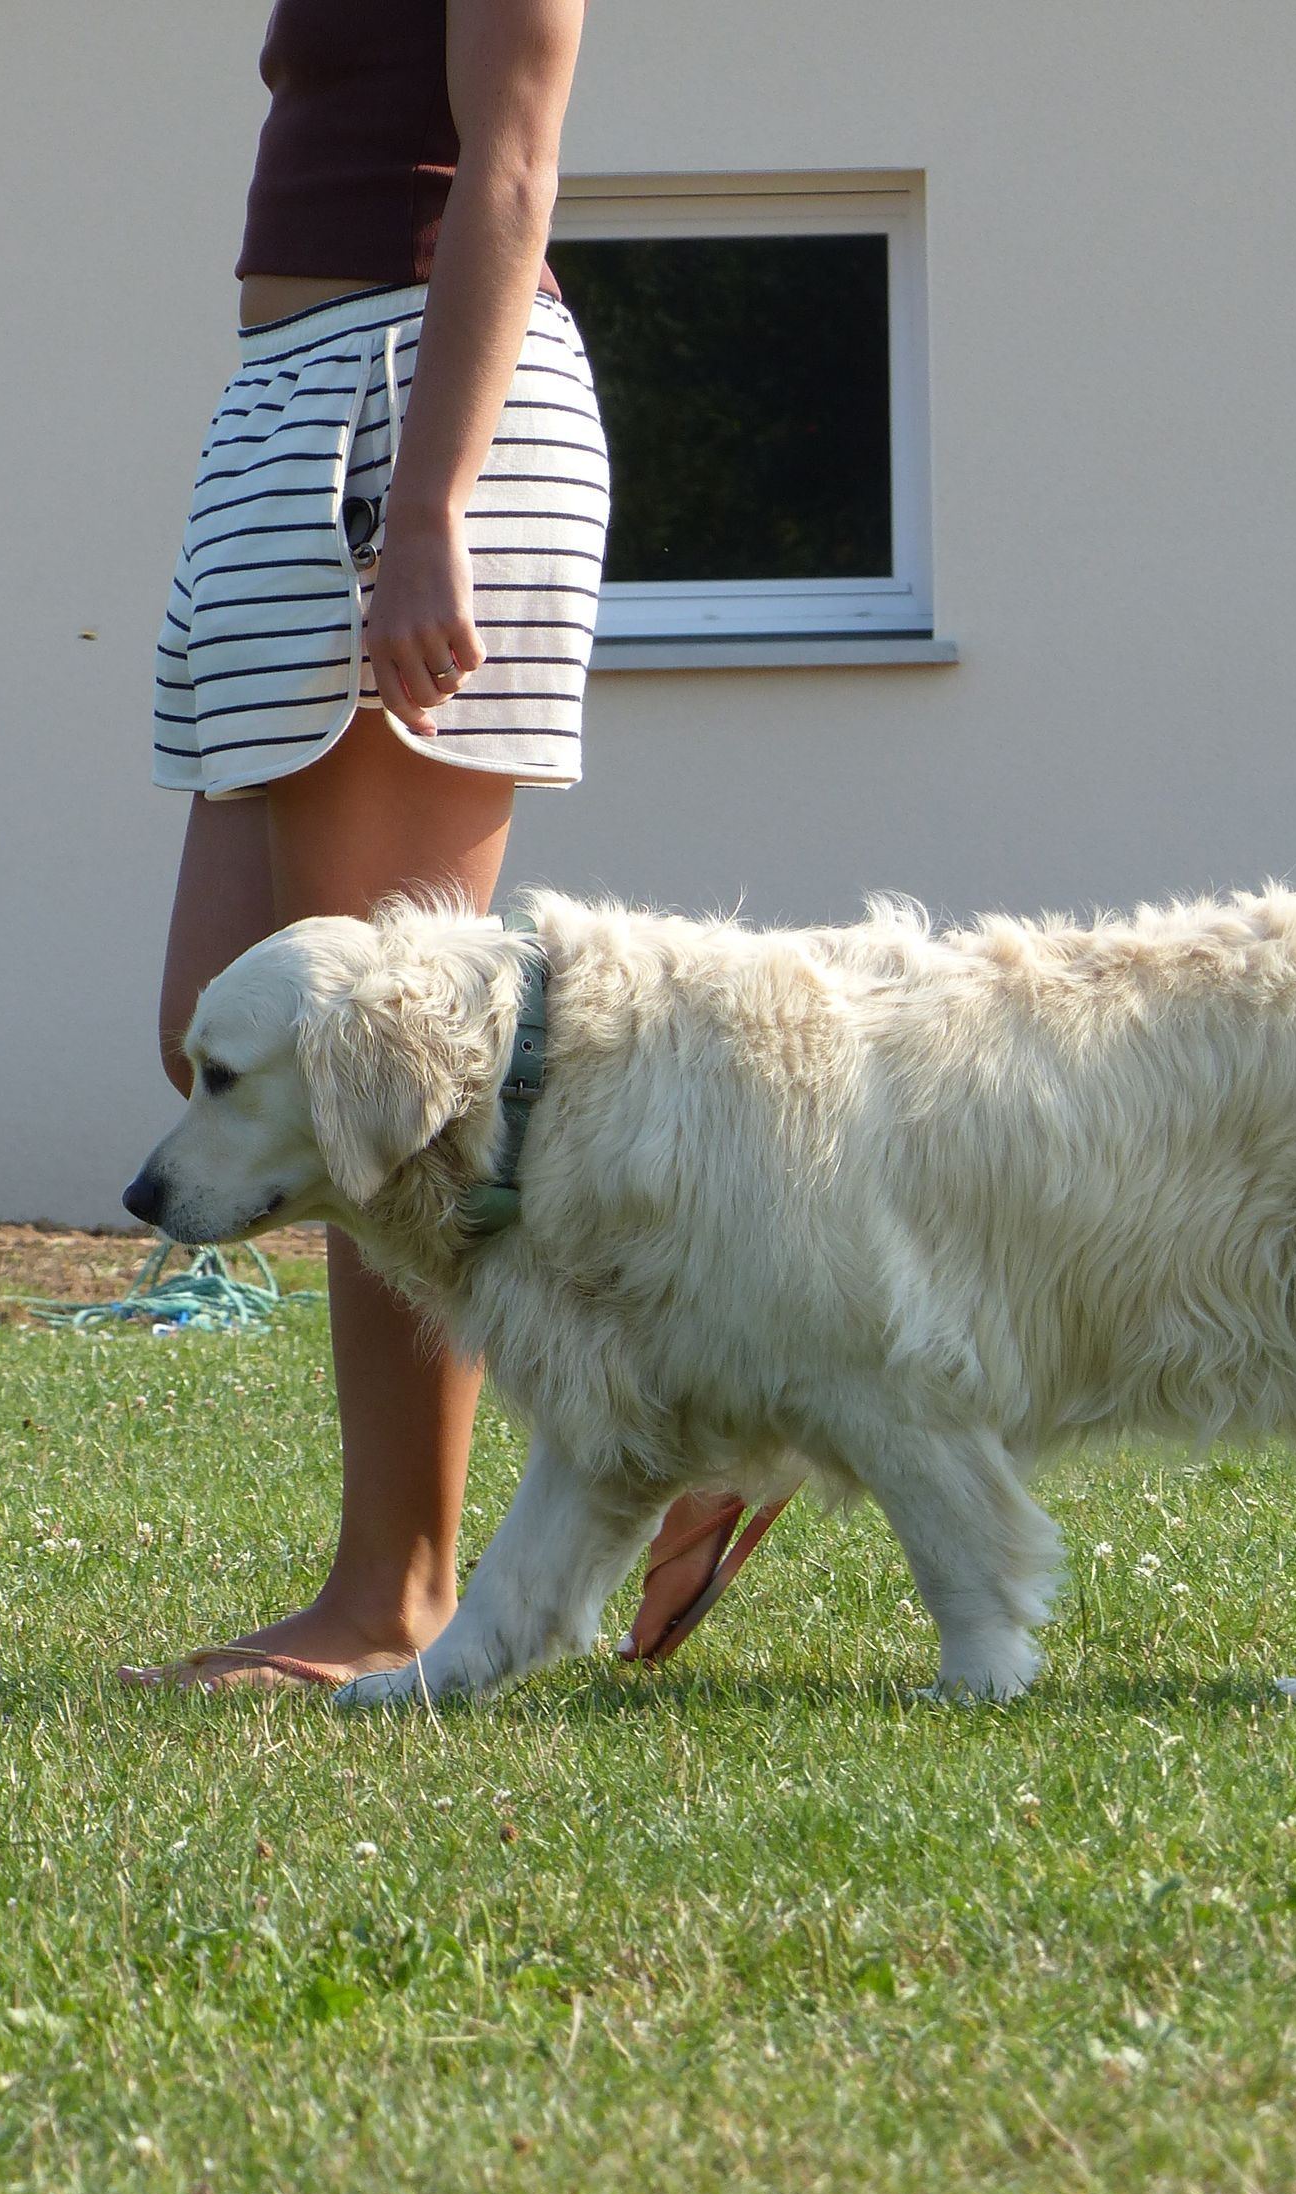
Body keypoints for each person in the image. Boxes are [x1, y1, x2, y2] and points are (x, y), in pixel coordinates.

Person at [123, 0, 757, 1691]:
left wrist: (428, 511)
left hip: (411, 408)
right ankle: (717, 1395)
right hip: (286, 402)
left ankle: (393, 1594)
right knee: (216, 1025)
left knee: (368, 1082)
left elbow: (512, 164)